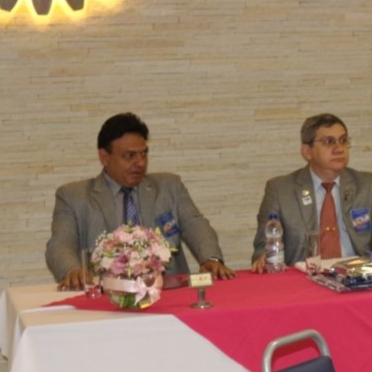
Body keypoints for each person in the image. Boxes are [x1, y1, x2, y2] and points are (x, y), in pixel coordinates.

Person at [46, 113, 235, 290]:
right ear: (104, 157)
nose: (140, 163)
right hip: (106, 296)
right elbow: (60, 245)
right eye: (129, 156)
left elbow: (196, 224)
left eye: (143, 154)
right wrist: (72, 270)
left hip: (168, 292)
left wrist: (211, 258)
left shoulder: (169, 187)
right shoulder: (74, 196)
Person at [251, 114, 372, 271]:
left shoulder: (367, 185)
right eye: (328, 142)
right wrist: (265, 259)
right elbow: (263, 246)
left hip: (356, 276)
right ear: (307, 151)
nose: (339, 149)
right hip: (302, 278)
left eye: (343, 140)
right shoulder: (280, 190)